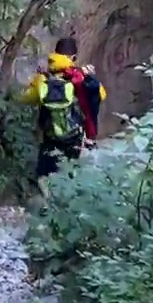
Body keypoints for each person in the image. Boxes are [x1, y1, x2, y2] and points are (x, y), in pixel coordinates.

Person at [21, 37, 106, 191]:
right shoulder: (79, 78)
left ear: (55, 54)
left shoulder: (44, 79)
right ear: (73, 57)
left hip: (50, 134)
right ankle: (67, 202)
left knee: (45, 171)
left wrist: (36, 81)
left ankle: (46, 203)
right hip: (73, 135)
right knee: (69, 170)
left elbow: (26, 98)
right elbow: (101, 94)